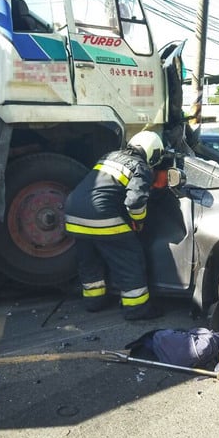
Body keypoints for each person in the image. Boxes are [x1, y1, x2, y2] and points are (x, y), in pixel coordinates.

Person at [64, 130, 165, 320]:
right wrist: (139, 220)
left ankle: (94, 302)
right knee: (130, 258)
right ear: (153, 152)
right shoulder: (140, 166)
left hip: (73, 213)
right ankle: (137, 309)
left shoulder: (109, 156)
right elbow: (135, 202)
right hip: (101, 215)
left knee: (89, 261)